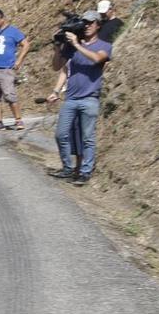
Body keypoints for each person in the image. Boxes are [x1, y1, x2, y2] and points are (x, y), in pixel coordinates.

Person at [46, 10, 112, 186]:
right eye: (85, 23)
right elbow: (59, 67)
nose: (87, 26)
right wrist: (58, 46)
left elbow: (98, 59)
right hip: (71, 98)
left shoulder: (104, 45)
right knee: (61, 135)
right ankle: (68, 168)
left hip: (90, 98)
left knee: (87, 137)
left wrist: (76, 45)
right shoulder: (74, 46)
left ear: (98, 25)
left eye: (91, 22)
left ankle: (85, 171)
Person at [0, 8, 31, 131]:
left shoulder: (13, 31)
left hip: (5, 68)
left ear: (2, 18)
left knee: (9, 95)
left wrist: (19, 61)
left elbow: (26, 45)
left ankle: (18, 120)